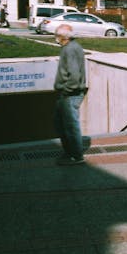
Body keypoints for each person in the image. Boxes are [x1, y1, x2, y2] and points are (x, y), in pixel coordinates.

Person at [54, 24, 88, 165]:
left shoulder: (70, 49)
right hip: (67, 93)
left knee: (70, 126)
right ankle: (69, 153)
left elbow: (74, 75)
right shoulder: (70, 48)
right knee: (61, 124)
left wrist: (66, 90)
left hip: (70, 94)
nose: (55, 38)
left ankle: (76, 156)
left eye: (56, 35)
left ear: (63, 37)